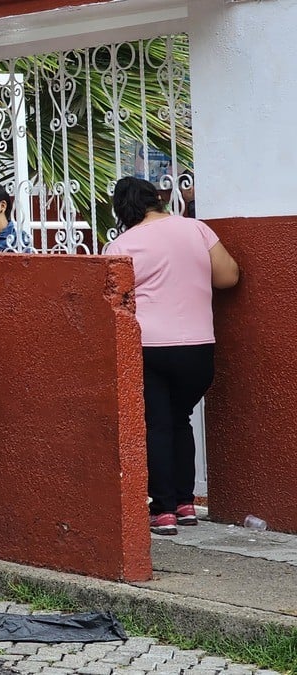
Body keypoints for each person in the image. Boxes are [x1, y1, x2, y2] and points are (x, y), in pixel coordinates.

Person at [105, 177, 239, 536]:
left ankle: (163, 510)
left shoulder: (121, 245)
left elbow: (112, 299)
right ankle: (185, 503)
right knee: (180, 420)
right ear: (157, 199)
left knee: (158, 425)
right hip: (198, 347)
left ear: (123, 209)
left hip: (149, 348)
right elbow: (229, 277)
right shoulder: (197, 230)